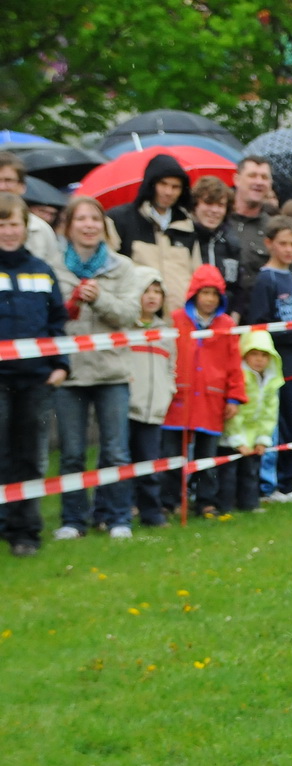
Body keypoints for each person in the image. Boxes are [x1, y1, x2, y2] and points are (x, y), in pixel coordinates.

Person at [52, 195, 140, 540]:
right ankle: (73, 520)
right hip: (70, 374)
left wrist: (99, 298)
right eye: (81, 219)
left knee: (115, 451)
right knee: (72, 453)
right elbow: (49, 318)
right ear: (69, 227)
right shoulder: (53, 267)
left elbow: (130, 315)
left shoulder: (122, 267)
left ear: (104, 227)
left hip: (112, 371)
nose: (88, 225)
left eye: (94, 219)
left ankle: (117, 517)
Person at [0, 192, 70, 557]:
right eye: (2, 224)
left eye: (14, 224)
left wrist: (60, 367)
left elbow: (57, 321)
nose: (8, 232)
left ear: (26, 229)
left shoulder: (42, 270)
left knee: (28, 458)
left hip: (35, 380)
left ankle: (25, 532)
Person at [165, 264, 246, 517]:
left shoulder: (226, 324)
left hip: (212, 397)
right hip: (180, 397)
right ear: (194, 294)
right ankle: (171, 500)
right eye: (204, 293)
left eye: (214, 294)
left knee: (207, 456)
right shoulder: (176, 319)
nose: (209, 299)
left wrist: (234, 396)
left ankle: (205, 500)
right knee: (173, 454)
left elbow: (234, 362)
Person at [248, 217, 292, 501]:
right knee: (282, 426)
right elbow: (261, 324)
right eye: (283, 244)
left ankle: (288, 483)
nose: (289, 250)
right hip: (280, 364)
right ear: (269, 244)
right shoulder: (267, 278)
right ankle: (273, 484)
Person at [107, 153, 195, 309]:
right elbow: (110, 270)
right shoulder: (121, 219)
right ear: (151, 184)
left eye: (175, 187)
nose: (168, 192)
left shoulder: (188, 226)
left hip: (179, 318)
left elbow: (196, 276)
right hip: (136, 319)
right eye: (163, 184)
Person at [125, 271, 176, 526]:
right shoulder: (126, 328)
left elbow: (171, 368)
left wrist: (169, 390)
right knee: (119, 462)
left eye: (157, 291)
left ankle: (151, 513)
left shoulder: (166, 333)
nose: (152, 297)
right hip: (127, 407)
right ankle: (111, 512)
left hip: (154, 409)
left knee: (150, 464)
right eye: (147, 291)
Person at [216, 332, 283, 513]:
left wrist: (263, 438)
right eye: (254, 354)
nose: (259, 360)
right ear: (245, 354)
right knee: (228, 474)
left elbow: (270, 412)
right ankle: (224, 507)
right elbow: (233, 412)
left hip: (254, 438)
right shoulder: (239, 378)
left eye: (264, 355)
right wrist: (237, 440)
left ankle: (249, 504)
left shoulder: (271, 381)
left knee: (251, 472)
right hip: (232, 436)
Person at [223, 156, 275, 303]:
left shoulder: (274, 229)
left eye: (264, 177)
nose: (258, 182)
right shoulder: (219, 220)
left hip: (260, 315)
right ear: (237, 179)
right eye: (252, 176)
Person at [0, 154, 58, 265]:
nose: (2, 186)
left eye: (8, 180)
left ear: (22, 186)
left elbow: (54, 271)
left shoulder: (40, 229)